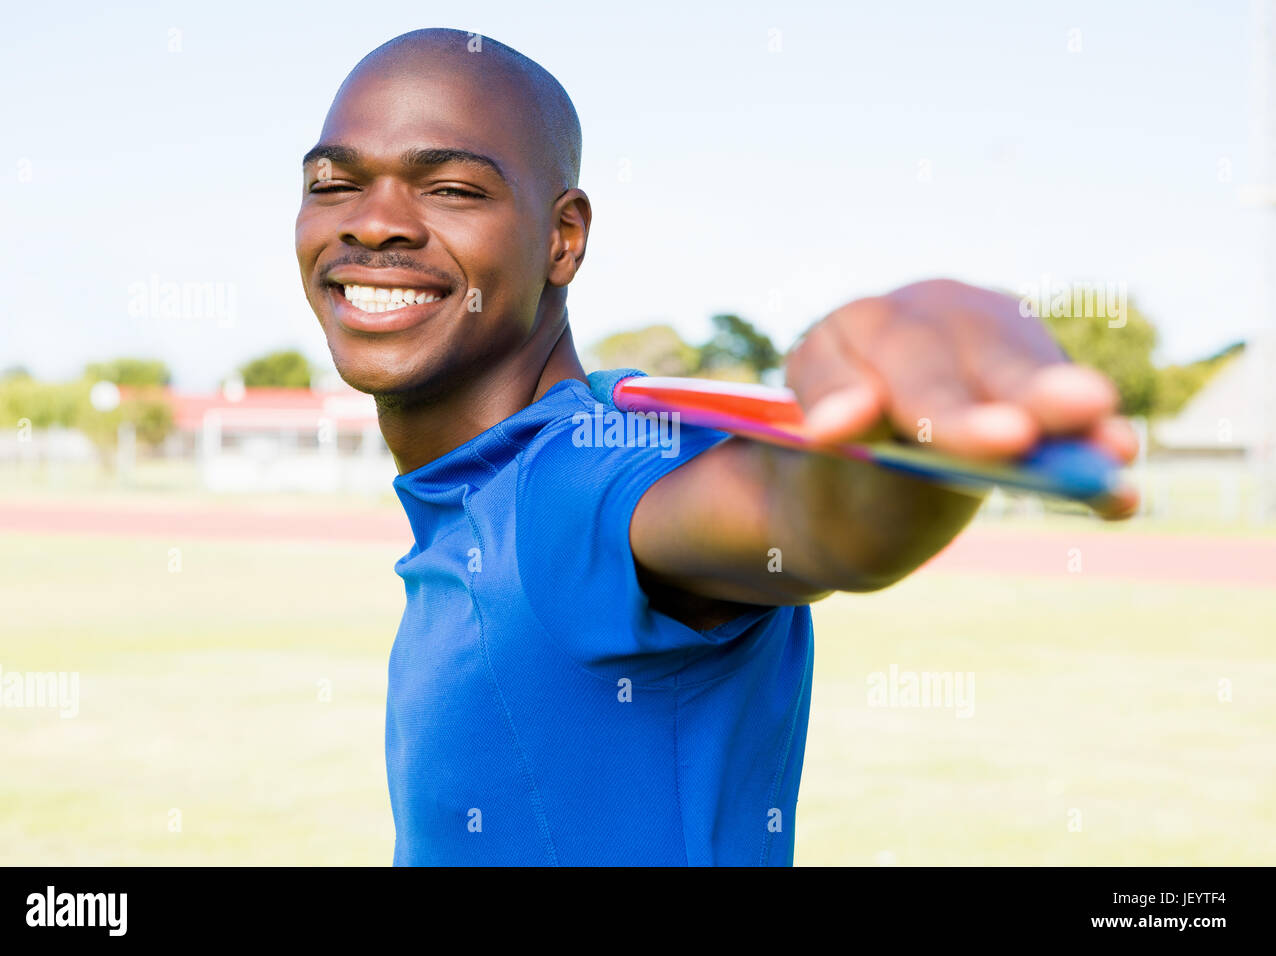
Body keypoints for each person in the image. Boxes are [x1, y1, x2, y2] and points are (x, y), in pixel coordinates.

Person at [295, 27, 1137, 865]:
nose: (374, 224)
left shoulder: (571, 479)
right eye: (335, 183)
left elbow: (806, 520)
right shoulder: (489, 478)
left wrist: (928, 379)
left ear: (564, 238)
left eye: (449, 188)